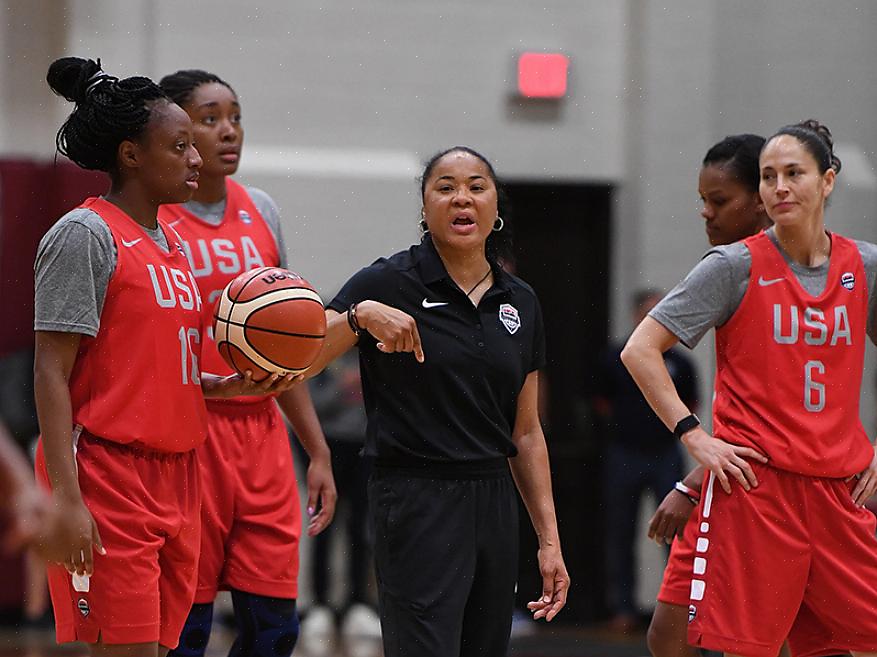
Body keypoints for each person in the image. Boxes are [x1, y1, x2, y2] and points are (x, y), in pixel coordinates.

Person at [34, 57, 293, 657]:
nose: (196, 158)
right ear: (131, 156)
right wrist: (68, 501)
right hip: (109, 475)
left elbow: (143, 363)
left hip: (178, 476)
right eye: (180, 146)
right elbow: (51, 371)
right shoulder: (85, 235)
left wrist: (213, 386)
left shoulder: (169, 240)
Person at [622, 119, 877, 657]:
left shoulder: (864, 265)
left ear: (828, 181)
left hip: (838, 490)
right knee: (717, 643)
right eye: (768, 176)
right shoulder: (733, 266)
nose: (780, 186)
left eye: (793, 174)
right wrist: (694, 436)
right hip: (757, 491)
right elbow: (638, 349)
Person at [303, 146, 570, 657]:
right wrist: (358, 317)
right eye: (444, 187)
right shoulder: (387, 281)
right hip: (414, 495)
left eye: (476, 185)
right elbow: (306, 360)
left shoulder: (522, 301)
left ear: (496, 208)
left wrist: (549, 540)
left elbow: (527, 430)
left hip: (493, 498)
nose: (461, 198)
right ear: (424, 209)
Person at [157, 69, 336, 657]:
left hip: (261, 438)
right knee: (190, 630)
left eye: (234, 116)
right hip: (188, 435)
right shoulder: (154, 220)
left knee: (275, 630)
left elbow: (286, 348)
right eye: (210, 119)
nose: (228, 131)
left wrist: (317, 448)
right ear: (178, 134)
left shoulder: (261, 210)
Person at [645, 134, 773, 657]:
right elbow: (639, 351)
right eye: (703, 199)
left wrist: (692, 476)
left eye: (719, 201)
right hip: (727, 476)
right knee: (669, 638)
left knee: (770, 639)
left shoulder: (842, 269)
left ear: (763, 197)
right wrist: (697, 452)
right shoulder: (728, 266)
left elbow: (779, 421)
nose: (705, 212)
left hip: (776, 486)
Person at [594, 288, 699, 633]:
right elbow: (602, 402)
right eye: (648, 312)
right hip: (624, 452)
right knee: (620, 531)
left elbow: (691, 406)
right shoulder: (616, 356)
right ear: (636, 316)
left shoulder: (680, 361)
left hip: (665, 453)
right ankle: (622, 609)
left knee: (677, 533)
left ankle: (680, 611)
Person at [303, 348, 377, 649]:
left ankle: (359, 602)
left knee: (362, 528)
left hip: (366, 447)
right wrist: (343, 386)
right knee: (322, 526)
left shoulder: (373, 350)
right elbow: (311, 404)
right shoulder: (323, 349)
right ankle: (319, 604)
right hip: (329, 447)